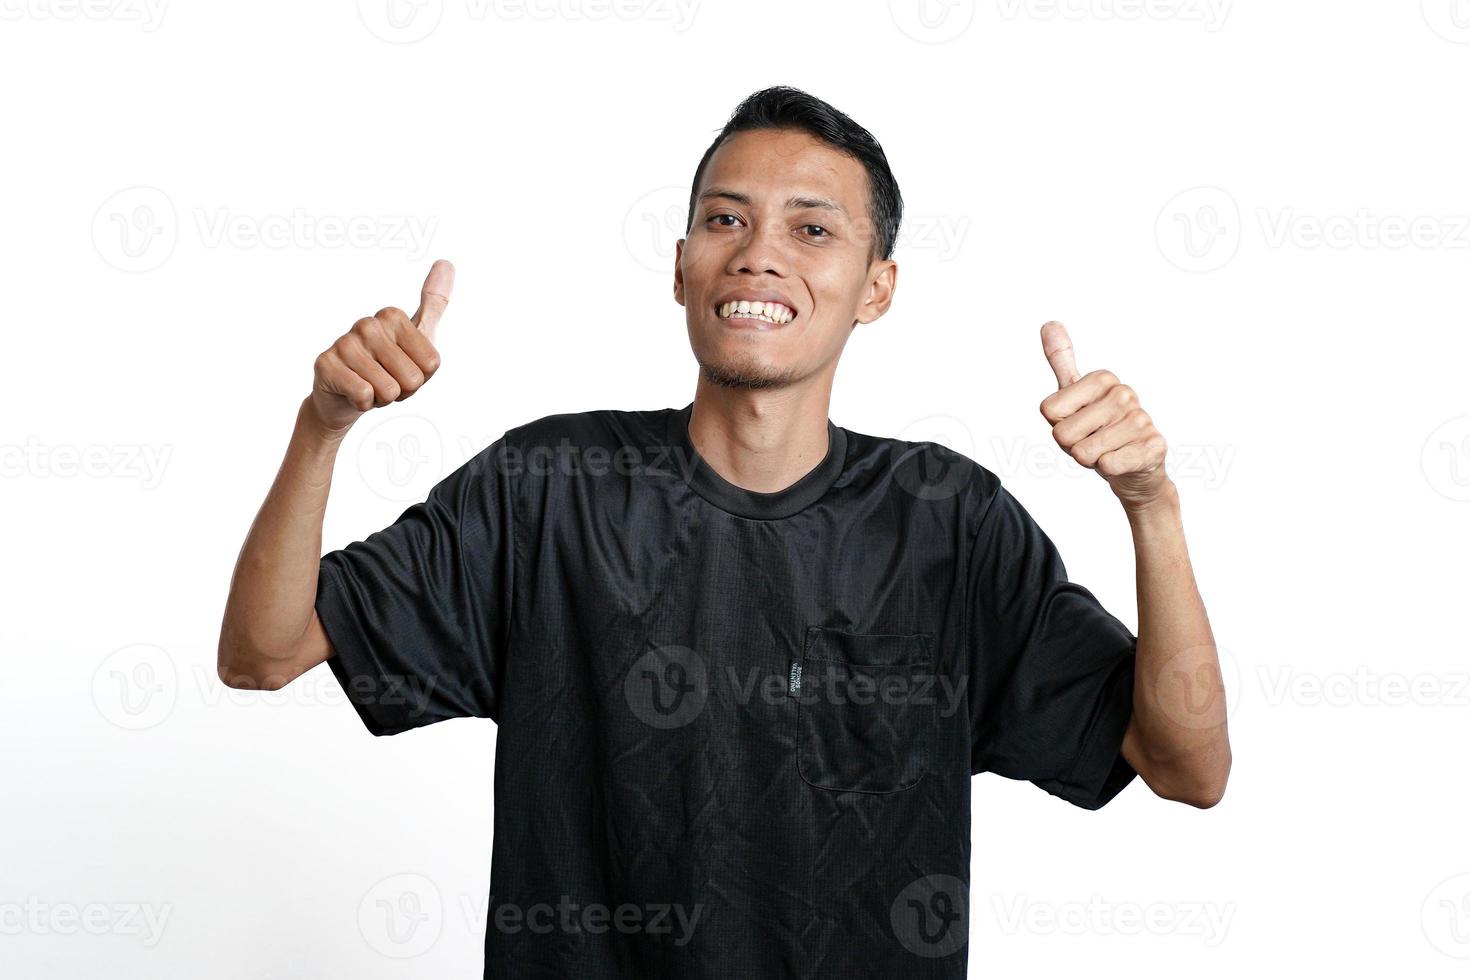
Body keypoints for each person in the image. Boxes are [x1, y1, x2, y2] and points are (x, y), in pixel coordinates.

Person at [216, 85, 1230, 979]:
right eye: (724, 218)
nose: (758, 253)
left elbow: (1190, 768)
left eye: (813, 229)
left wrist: (1152, 505)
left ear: (877, 286)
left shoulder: (948, 520)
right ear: (681, 264)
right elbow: (262, 652)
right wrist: (323, 426)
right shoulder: (549, 490)